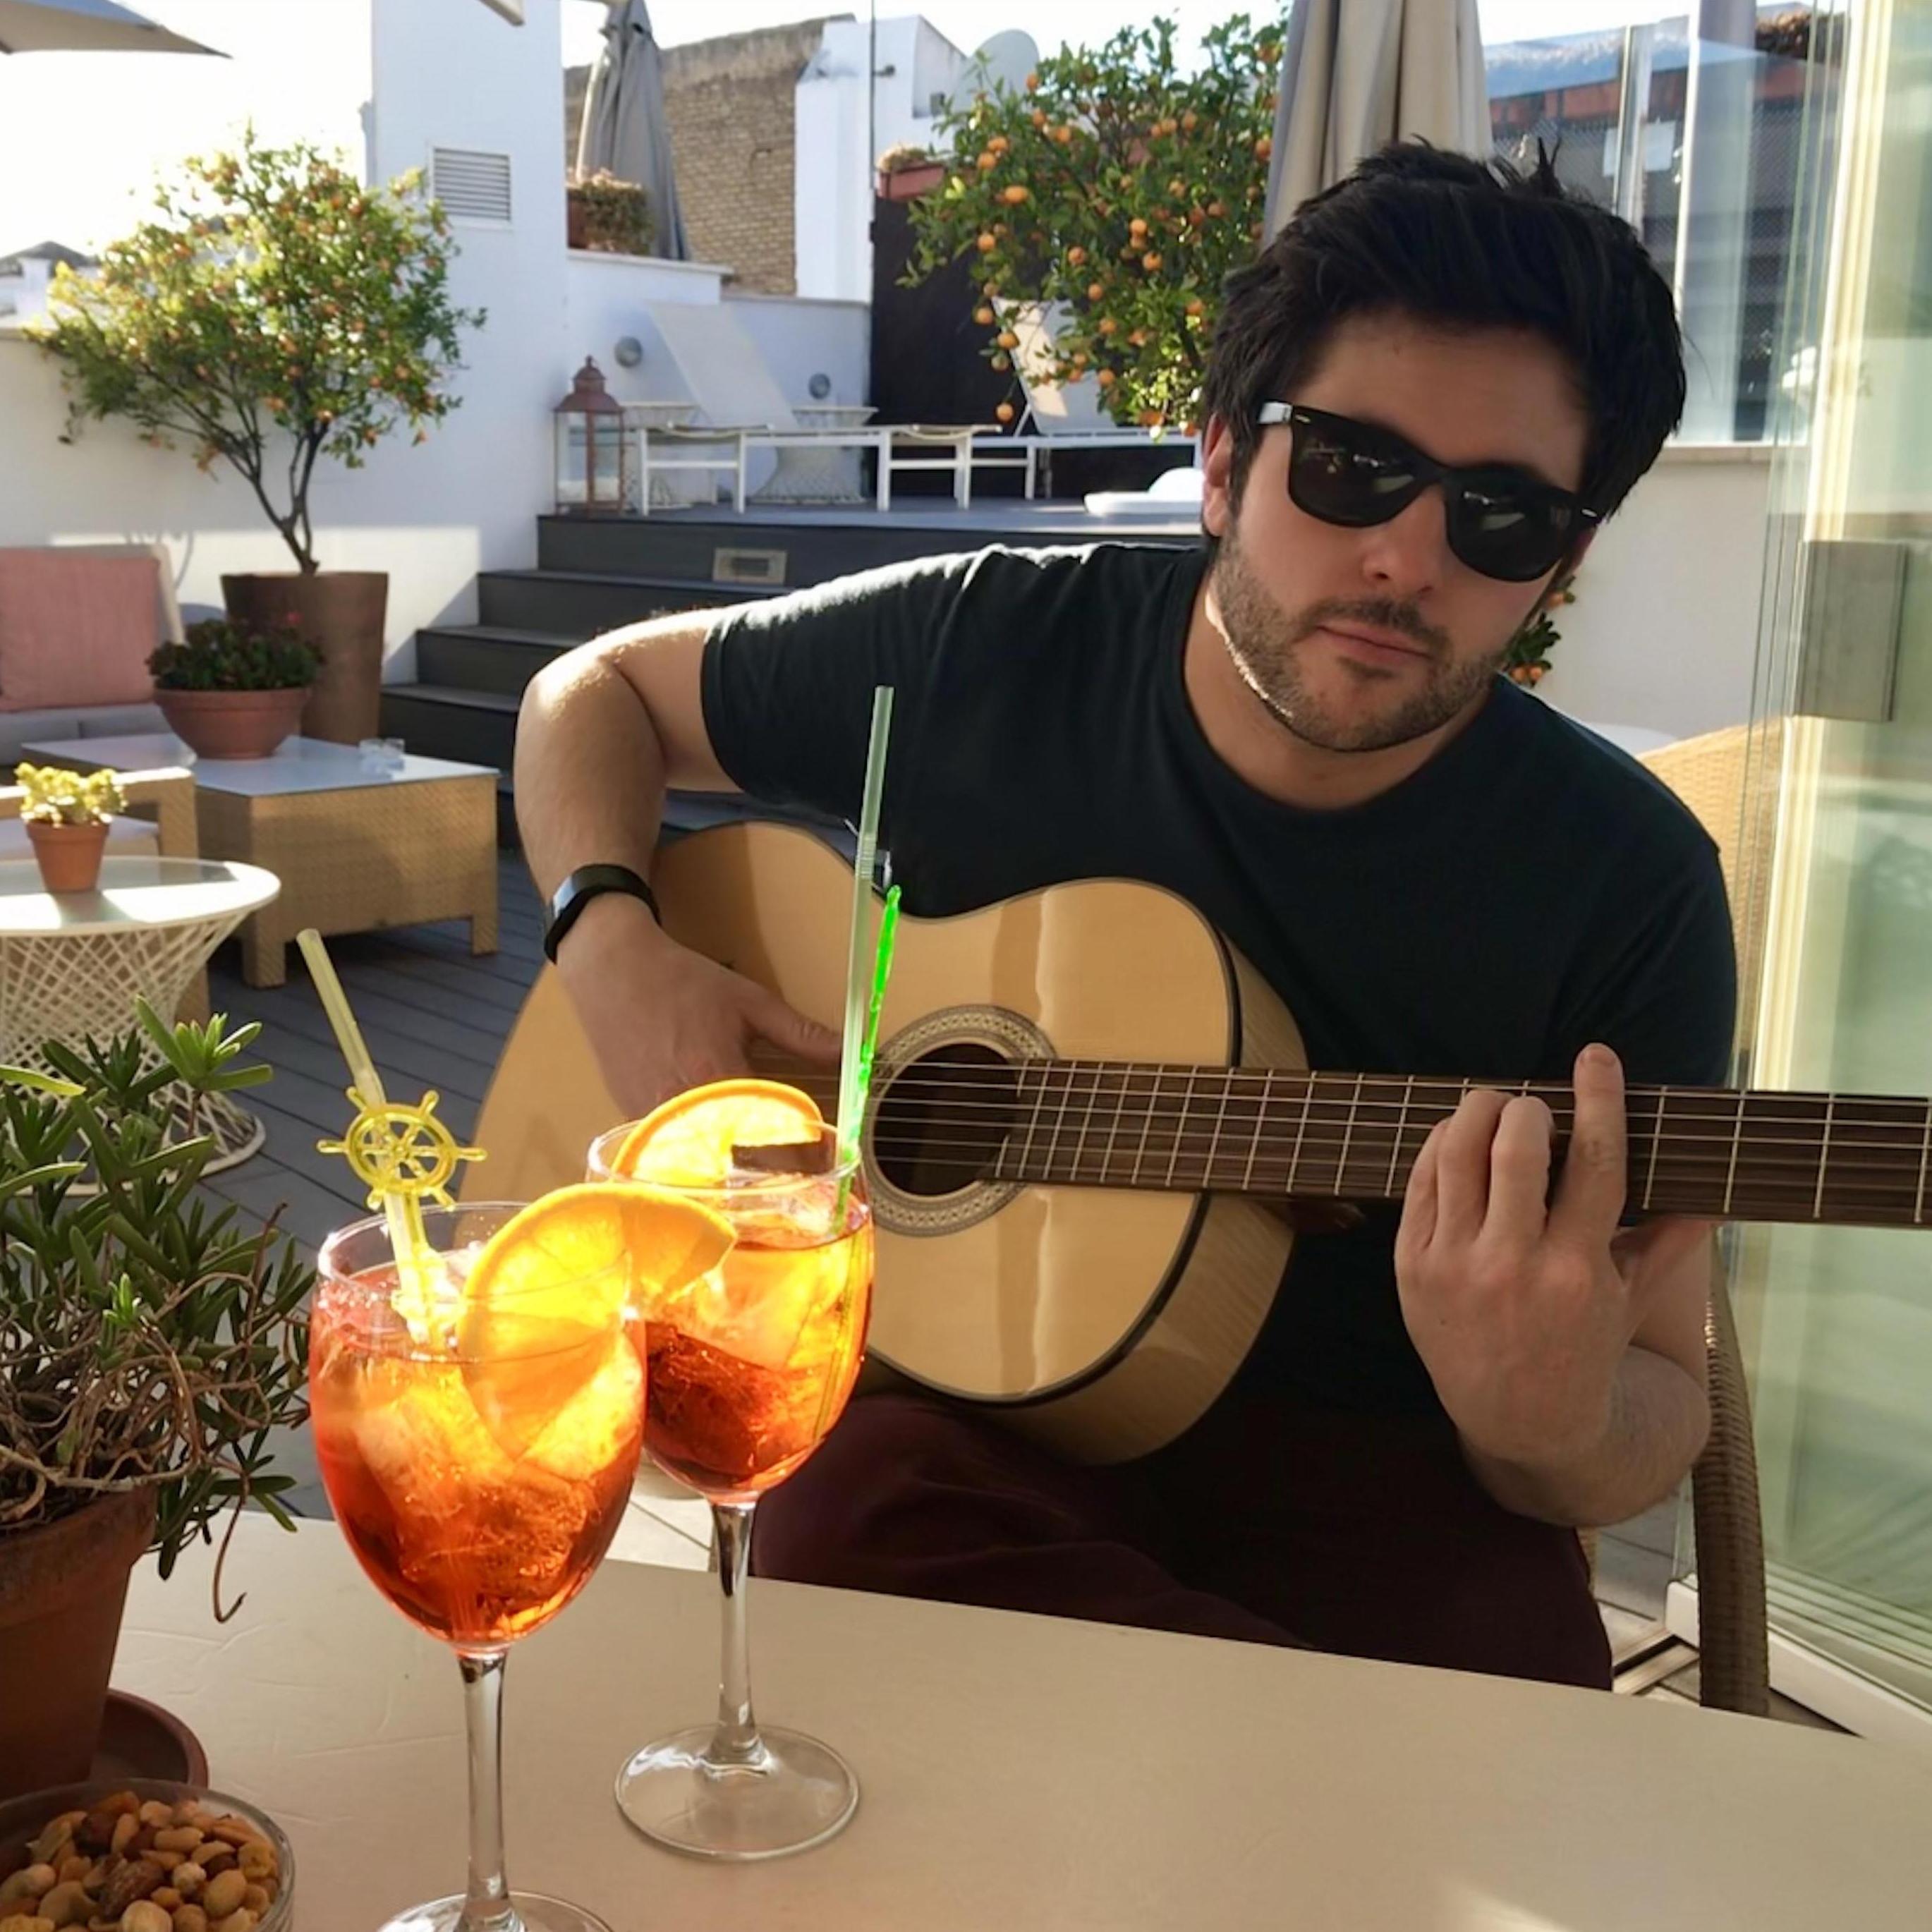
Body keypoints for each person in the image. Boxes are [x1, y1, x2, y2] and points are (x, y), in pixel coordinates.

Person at [515, 142, 1737, 1689]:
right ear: (1224, 460)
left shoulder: (1625, 880)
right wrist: (610, 938)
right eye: (1350, 466)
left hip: (1385, 1474)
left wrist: (1550, 1422)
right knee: (846, 1541)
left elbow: (1655, 1394)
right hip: (953, 1413)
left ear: (1560, 562)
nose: (1402, 558)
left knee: (1504, 1682)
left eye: (1498, 518)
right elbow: (589, 692)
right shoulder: (989, 645)